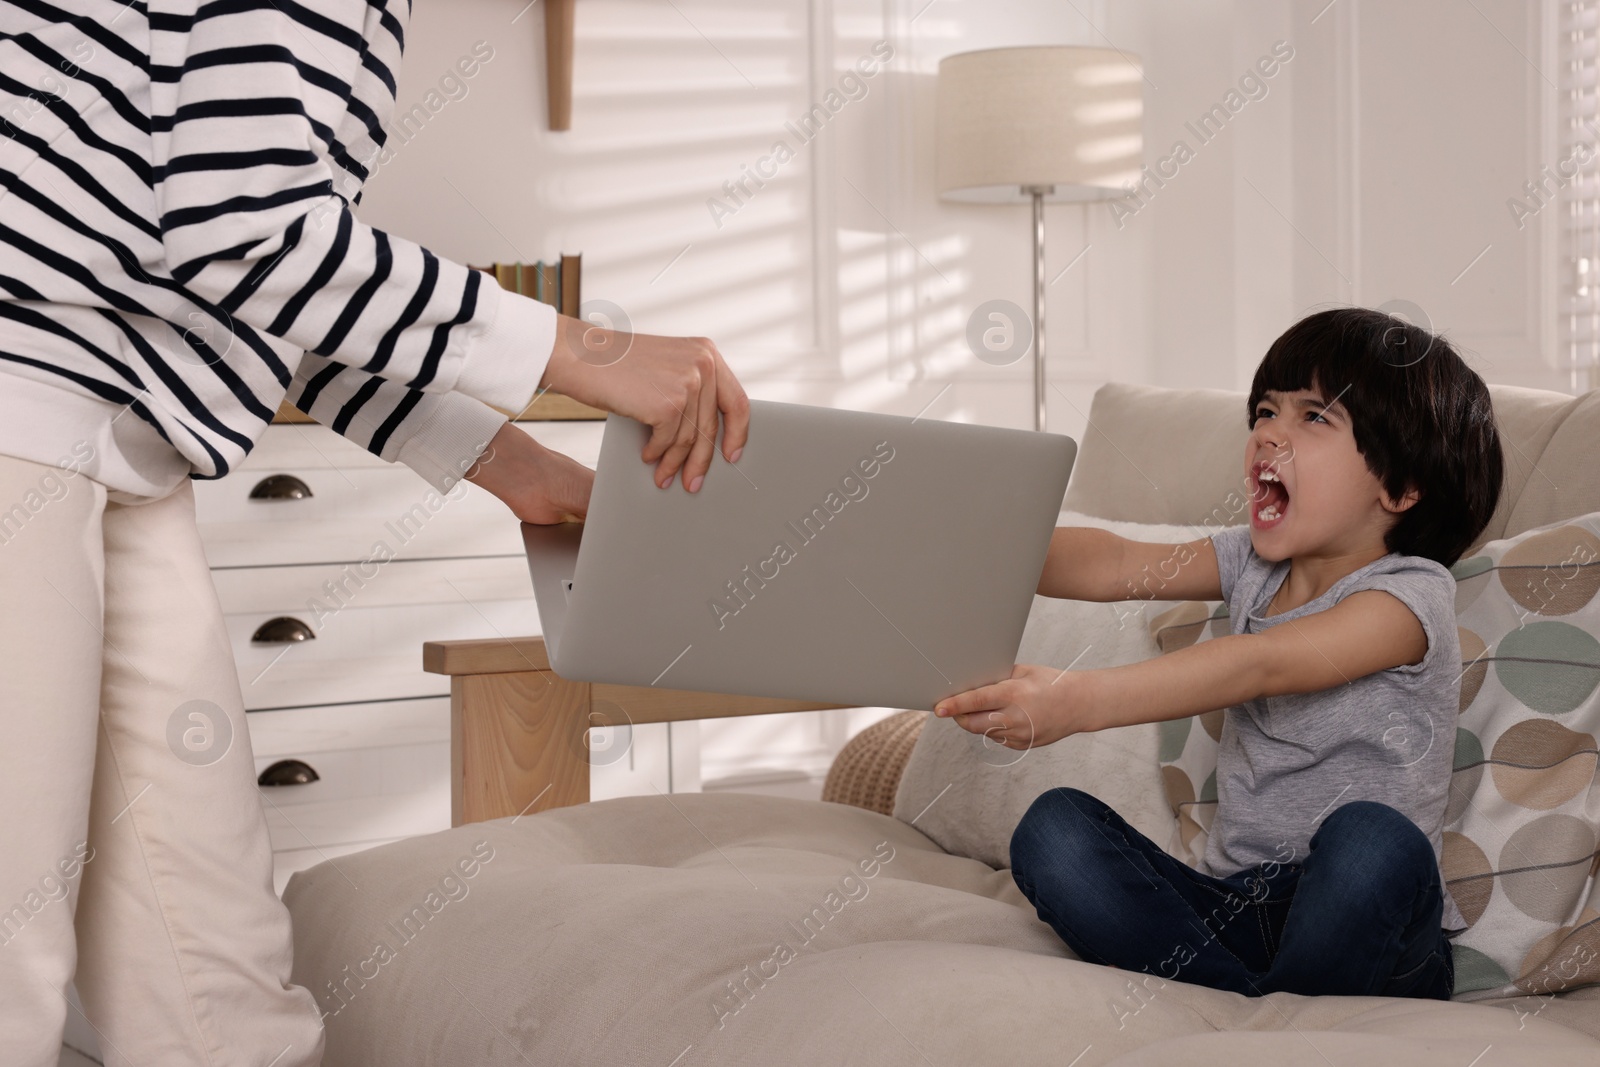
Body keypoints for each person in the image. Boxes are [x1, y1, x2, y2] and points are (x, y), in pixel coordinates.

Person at [0, 3, 747, 1065]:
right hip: (26, 403)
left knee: (213, 981)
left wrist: (513, 463)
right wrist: (577, 347)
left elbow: (244, 273)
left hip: (117, 435)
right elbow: (244, 232)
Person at [933, 306, 1504, 1000]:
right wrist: (989, 544)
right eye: (1265, 410)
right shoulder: (1251, 561)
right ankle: (1254, 1001)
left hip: (1374, 925)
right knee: (1056, 829)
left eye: (1313, 417)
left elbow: (1260, 662)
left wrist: (1074, 700)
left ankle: (1269, 1005)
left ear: (1399, 486)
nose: (1269, 433)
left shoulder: (1410, 597)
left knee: (1370, 840)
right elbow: (1115, 563)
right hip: (1235, 908)